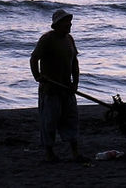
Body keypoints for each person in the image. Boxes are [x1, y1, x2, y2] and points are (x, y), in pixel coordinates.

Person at [29, 9, 86, 162]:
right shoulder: (47, 39)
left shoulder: (69, 39)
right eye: (66, 22)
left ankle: (75, 153)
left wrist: (75, 82)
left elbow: (74, 62)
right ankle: (49, 154)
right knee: (49, 122)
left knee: (71, 120)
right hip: (50, 89)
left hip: (67, 89)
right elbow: (34, 58)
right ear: (57, 24)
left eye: (70, 21)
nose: (70, 24)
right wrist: (37, 76)